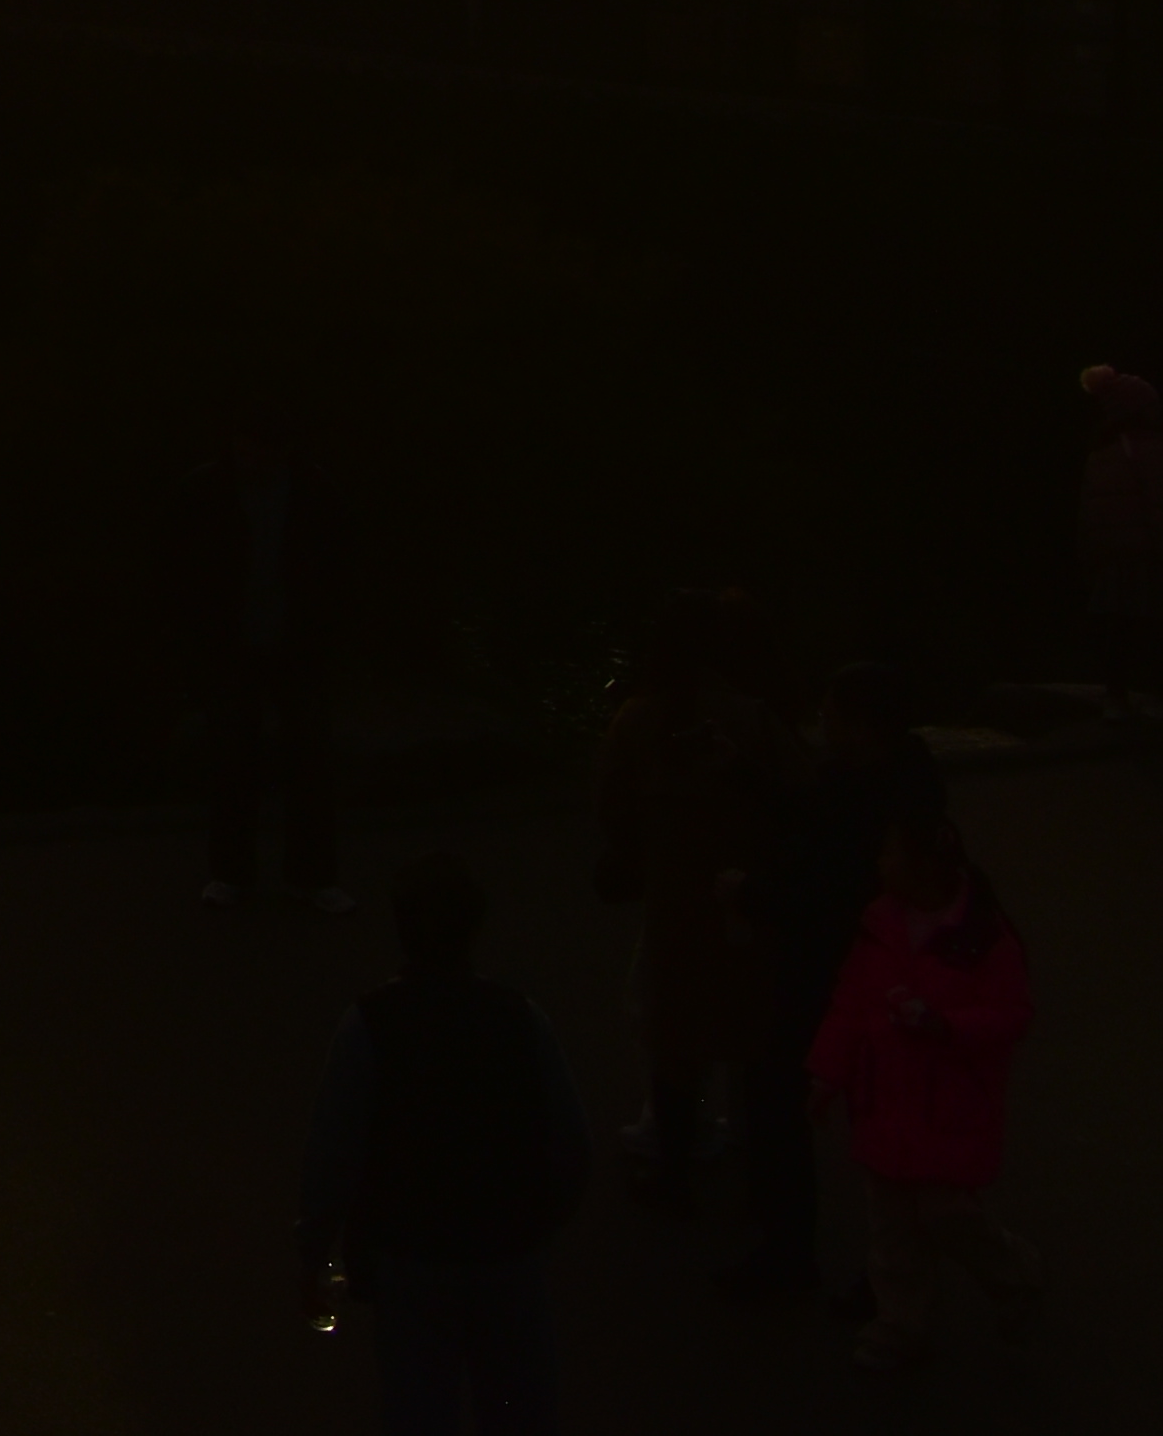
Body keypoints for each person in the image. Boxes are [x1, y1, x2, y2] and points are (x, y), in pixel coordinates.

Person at [297, 850, 589, 1433]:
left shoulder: (369, 1024)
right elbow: (568, 1142)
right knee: (519, 1408)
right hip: (507, 1251)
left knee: (418, 1408)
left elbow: (334, 1153)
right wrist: (541, 1223)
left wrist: (316, 1252)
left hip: (411, 1257)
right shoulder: (519, 1017)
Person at [808, 799, 1039, 1378]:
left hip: (947, 1108)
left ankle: (1012, 1274)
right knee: (891, 1231)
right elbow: (850, 1007)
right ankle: (901, 1326)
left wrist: (947, 1027)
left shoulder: (984, 939)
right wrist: (827, 1075)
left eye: (889, 852)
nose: (880, 863)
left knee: (946, 1213)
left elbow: (1012, 1015)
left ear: (921, 864)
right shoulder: (880, 925)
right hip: (885, 1104)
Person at [724, 663, 929, 1309]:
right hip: (879, 972)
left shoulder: (864, 802)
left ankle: (792, 1252)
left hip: (836, 972)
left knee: (780, 1092)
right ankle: (889, 1270)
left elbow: (823, 894)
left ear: (861, 725)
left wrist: (749, 895)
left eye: (832, 715)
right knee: (880, 1119)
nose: (821, 725)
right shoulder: (904, 783)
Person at [589, 589, 761, 1204]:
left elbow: (610, 802)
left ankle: (677, 1147)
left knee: (665, 1022)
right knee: (747, 1016)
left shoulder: (640, 719)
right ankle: (755, 1142)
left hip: (673, 898)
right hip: (745, 891)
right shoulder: (749, 715)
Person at [202, 410, 348, 914]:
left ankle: (303, 875)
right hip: (236, 641)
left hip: (293, 642)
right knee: (235, 759)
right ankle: (235, 873)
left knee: (304, 759)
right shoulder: (210, 491)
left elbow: (338, 565)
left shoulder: (311, 492)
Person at [1073, 368, 1163, 713]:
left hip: (1114, 556)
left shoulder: (1100, 451)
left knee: (1118, 628)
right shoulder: (1152, 450)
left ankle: (1116, 697)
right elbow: (1161, 505)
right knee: (1162, 626)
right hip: (1149, 552)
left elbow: (1090, 513)